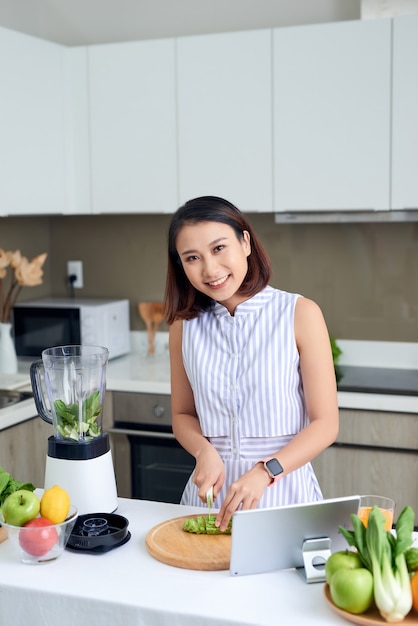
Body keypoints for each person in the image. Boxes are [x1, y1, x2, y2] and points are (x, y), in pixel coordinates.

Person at [164, 196, 339, 531]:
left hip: (285, 494)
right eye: (192, 258)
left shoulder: (299, 313)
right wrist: (204, 452)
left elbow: (325, 424)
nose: (210, 270)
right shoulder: (182, 328)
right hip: (209, 501)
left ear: (245, 242)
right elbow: (183, 415)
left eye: (218, 248)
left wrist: (265, 471)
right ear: (181, 265)